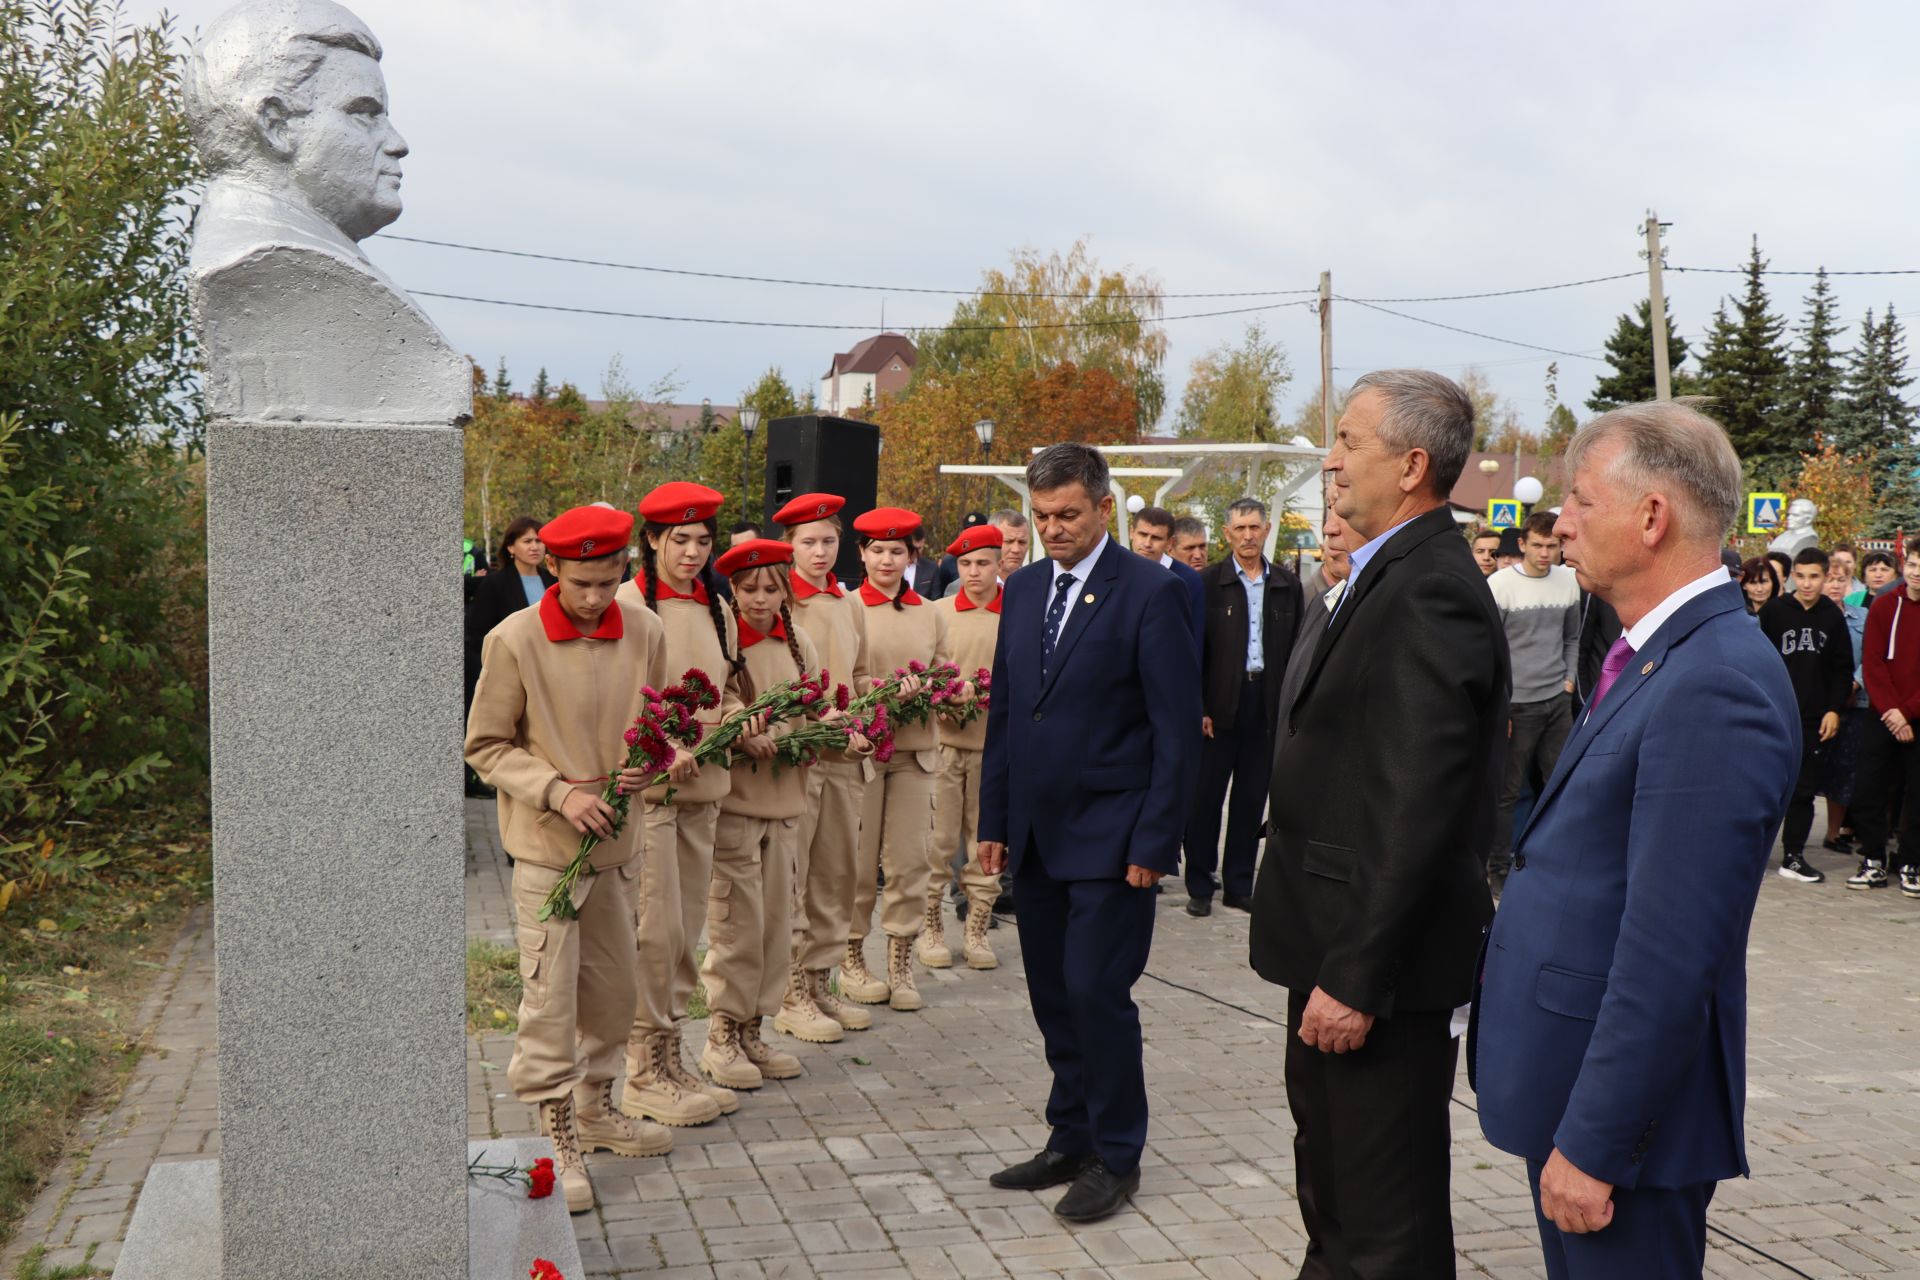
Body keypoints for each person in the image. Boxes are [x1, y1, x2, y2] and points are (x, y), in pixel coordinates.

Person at [1473, 401, 1799, 1280]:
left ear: (1652, 517)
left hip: (1619, 1135)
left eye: (1580, 500)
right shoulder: (1655, 652)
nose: (1560, 522)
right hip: (1574, 1092)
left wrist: (1597, 1143)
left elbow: (1671, 949)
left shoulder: (1715, 680)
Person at [1250, 369, 1505, 1277]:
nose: (1330, 459)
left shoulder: (1429, 587)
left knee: (1384, 1217)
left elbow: (1417, 804)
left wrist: (1357, 978)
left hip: (1377, 975)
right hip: (1331, 946)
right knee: (1333, 1192)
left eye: (1348, 441)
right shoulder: (1379, 571)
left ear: (1410, 465)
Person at [977, 443, 1200, 1223]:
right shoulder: (1026, 586)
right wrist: (994, 822)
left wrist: (1154, 843)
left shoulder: (1149, 592)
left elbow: (1175, 731)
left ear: (1105, 507)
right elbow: (1008, 712)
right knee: (1051, 996)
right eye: (1041, 518)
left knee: (1095, 994)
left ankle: (1116, 1155)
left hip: (1113, 839)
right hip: (1036, 837)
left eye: (1068, 514)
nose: (1054, 530)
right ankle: (1068, 1136)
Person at [464, 505, 675, 1212]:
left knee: (615, 992)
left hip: (617, 852)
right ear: (551, 567)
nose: (593, 599)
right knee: (549, 1000)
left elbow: (659, 721)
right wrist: (556, 792)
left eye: (608, 581)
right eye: (581, 582)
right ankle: (558, 1132)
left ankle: (596, 1107)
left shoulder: (646, 629)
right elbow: (486, 746)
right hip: (548, 856)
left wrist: (653, 762)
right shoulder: (513, 639)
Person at [698, 538, 869, 1088]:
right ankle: (721, 1034)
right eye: (749, 589)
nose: (761, 599)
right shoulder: (724, 643)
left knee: (777, 924)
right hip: (737, 806)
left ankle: (755, 1028)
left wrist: (845, 733)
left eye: (772, 588)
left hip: (787, 802)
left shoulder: (799, 643)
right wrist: (740, 726)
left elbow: (818, 705)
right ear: (732, 590)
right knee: (736, 927)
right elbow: (716, 702)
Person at [616, 482, 744, 1127]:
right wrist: (662, 744)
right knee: (655, 932)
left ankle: (671, 1056)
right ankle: (642, 1068)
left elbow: (727, 683)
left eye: (703, 540)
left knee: (689, 928)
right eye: (680, 541)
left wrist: (739, 715)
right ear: (653, 541)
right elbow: (618, 698)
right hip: (654, 795)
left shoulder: (718, 602)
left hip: (708, 787)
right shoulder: (631, 602)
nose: (693, 553)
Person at [770, 493, 874, 1042]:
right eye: (807, 542)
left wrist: (872, 698)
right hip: (798, 755)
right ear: (789, 547)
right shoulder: (778, 599)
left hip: (844, 756)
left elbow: (856, 673)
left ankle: (820, 980)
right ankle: (790, 990)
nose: (819, 552)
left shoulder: (847, 601)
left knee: (836, 875)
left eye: (828, 541)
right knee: (794, 874)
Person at [844, 507, 950, 1013]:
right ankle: (850, 958)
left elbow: (945, 671)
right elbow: (844, 676)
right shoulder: (847, 608)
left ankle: (901, 963)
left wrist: (937, 686)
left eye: (897, 551)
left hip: (915, 752)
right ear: (862, 554)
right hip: (863, 753)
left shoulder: (930, 611)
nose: (887, 560)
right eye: (877, 550)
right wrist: (879, 691)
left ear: (913, 556)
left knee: (910, 862)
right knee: (858, 866)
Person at [1186, 498, 1299, 915]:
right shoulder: (1207, 584)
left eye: (1255, 527)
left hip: (1265, 704)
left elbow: (1296, 652)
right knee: (1206, 799)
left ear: (1267, 529)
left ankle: (1238, 883)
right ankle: (1200, 884)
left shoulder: (1286, 585)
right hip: (1218, 708)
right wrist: (1199, 707)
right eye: (1240, 529)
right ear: (1227, 534)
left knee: (1252, 801)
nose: (1248, 536)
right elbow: (1193, 652)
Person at [1486, 510, 1582, 895]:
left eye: (1553, 546)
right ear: (1522, 544)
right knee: (1508, 792)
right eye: (1538, 545)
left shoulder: (1569, 581)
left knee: (1560, 785)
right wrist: (1500, 703)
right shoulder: (1500, 585)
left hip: (1556, 700)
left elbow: (1572, 637)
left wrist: (1569, 681)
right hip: (1516, 705)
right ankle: (1499, 867)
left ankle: (1553, 861)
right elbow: (1489, 650)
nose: (1546, 553)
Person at [924, 523, 1005, 970]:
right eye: (966, 563)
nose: (974, 572)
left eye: (983, 563)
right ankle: (931, 925)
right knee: (936, 841)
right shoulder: (938, 611)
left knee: (985, 842)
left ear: (999, 563)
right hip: (943, 744)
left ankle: (977, 929)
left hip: (993, 747)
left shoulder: (1017, 611)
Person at [1758, 548, 1853, 884]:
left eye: (1814, 576)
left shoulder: (1832, 616)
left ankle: (1793, 856)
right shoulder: (1774, 612)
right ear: (1791, 576)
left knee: (1803, 790)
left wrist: (1834, 709)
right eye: (1801, 575)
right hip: (1773, 715)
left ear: (1826, 576)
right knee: (1763, 788)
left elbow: (1842, 670)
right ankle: (1752, 854)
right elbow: (1758, 663)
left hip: (1813, 719)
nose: (1807, 583)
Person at [1844, 545, 1920, 897]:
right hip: (1882, 714)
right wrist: (1892, 711)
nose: (1917, 572)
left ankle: (1911, 862)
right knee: (1869, 788)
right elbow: (1872, 662)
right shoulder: (1884, 606)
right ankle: (1873, 858)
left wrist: (1908, 712)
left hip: (1915, 715)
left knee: (1916, 793)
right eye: (1914, 564)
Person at [464, 516, 553, 795]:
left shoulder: (553, 580)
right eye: (527, 541)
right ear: (511, 547)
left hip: (549, 669)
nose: (535, 546)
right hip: (508, 670)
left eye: (539, 540)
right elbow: (478, 630)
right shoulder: (496, 583)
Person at [1821, 564, 1869, 853]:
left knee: (1845, 769)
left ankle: (1833, 833)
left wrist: (1854, 684)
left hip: (1856, 702)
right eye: (1830, 580)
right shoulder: (1815, 615)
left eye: (1842, 580)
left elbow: (1871, 654)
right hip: (1821, 704)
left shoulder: (1862, 616)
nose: (1836, 586)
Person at [1130, 504, 1206, 645]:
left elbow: (1194, 636)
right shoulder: (1115, 571)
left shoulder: (1188, 579)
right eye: (1143, 535)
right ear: (1132, 533)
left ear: (1169, 542)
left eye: (1156, 538)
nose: (1147, 543)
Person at [942, 509, 1030, 596]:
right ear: (990, 540)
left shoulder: (1036, 583)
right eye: (1008, 541)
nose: (1016, 549)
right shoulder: (959, 589)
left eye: (1022, 542)